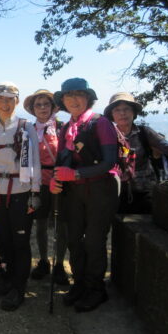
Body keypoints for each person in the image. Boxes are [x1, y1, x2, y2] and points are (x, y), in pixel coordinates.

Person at [50, 78, 119, 313]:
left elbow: (109, 162)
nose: (73, 99)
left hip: (101, 190)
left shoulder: (101, 123)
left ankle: (96, 289)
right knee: (73, 239)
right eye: (68, 96)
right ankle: (79, 284)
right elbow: (62, 161)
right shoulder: (66, 128)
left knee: (94, 241)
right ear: (63, 101)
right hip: (74, 192)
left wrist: (75, 174)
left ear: (88, 98)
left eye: (78, 94)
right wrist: (56, 179)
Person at [0, 82, 41, 311]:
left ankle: (18, 287)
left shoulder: (26, 127)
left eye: (9, 99)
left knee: (20, 242)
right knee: (4, 239)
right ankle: (9, 278)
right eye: (0, 99)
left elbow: (35, 162)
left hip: (21, 192)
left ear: (16, 101)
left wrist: (35, 193)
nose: (4, 104)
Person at [104, 92, 168, 214]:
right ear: (112, 115)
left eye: (126, 109)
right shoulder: (107, 136)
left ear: (133, 112)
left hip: (146, 192)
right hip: (116, 193)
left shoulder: (144, 133)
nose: (122, 113)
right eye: (117, 110)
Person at [23, 89, 69, 286]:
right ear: (33, 109)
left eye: (46, 104)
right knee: (40, 224)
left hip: (61, 182)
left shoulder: (63, 128)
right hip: (39, 182)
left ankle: (59, 264)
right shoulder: (29, 130)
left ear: (53, 107)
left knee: (62, 225)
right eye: (38, 105)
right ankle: (43, 261)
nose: (42, 108)